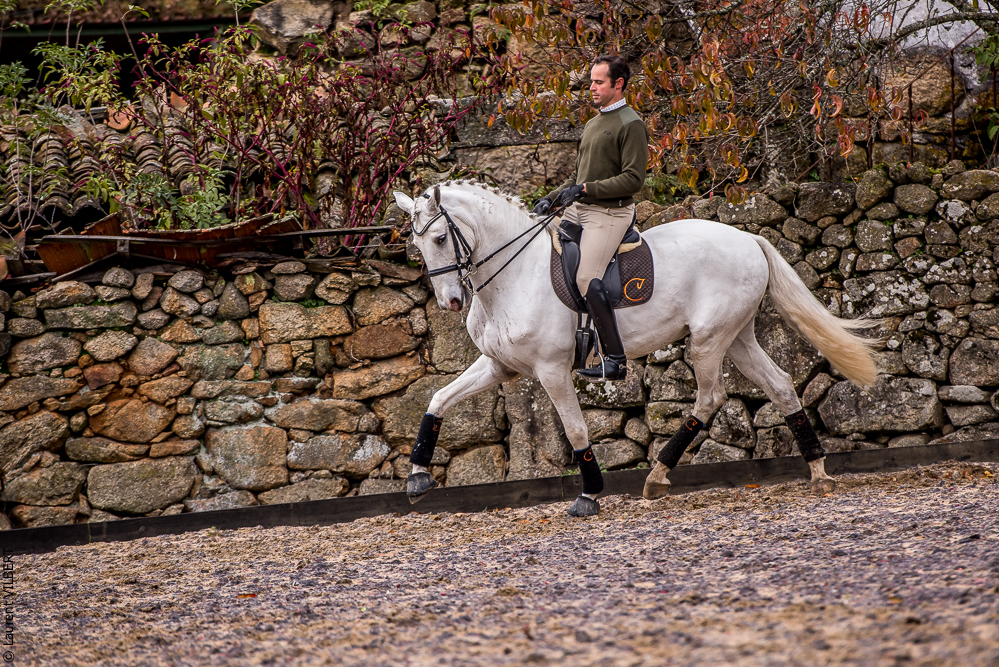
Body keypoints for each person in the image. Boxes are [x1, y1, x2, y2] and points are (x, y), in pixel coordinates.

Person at [533, 54, 648, 382]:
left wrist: (585, 188)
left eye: (599, 82)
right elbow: (579, 176)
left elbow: (633, 180)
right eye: (591, 82)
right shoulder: (593, 123)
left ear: (618, 84)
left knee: (587, 278)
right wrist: (552, 198)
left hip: (611, 213)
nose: (592, 88)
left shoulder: (631, 123)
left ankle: (614, 359)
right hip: (580, 208)